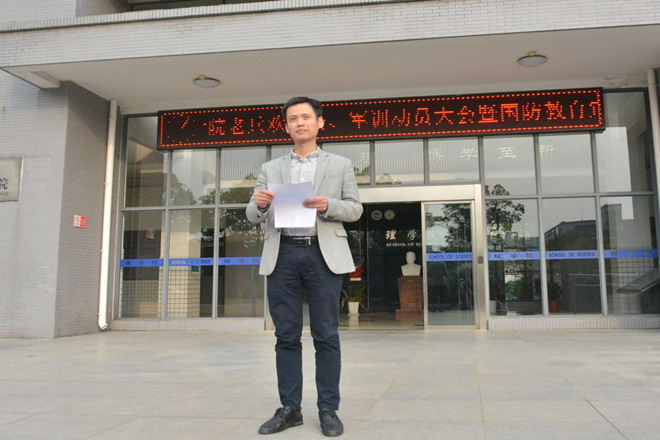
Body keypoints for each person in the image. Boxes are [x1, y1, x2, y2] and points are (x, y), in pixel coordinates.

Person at [246, 96, 363, 437]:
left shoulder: (340, 165)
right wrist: (259, 204)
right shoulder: (270, 168)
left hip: (321, 256)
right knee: (285, 336)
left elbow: (355, 209)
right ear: (286, 127)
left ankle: (328, 409)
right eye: (293, 118)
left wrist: (328, 205)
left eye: (306, 117)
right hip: (282, 254)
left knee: (326, 335)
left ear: (320, 122)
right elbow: (252, 214)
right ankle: (290, 409)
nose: (300, 122)